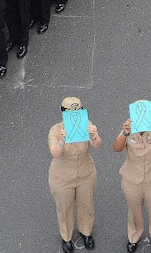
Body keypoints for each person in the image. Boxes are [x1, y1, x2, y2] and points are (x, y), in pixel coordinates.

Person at [48, 96, 102, 252]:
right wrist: (62, 141)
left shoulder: (87, 124)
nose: (74, 114)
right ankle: (66, 237)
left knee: (87, 205)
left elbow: (97, 145)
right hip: (62, 177)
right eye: (71, 111)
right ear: (63, 112)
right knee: (64, 208)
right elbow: (55, 153)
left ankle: (86, 232)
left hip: (85, 173)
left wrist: (94, 134)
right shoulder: (55, 130)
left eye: (78, 111)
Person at [114, 110, 151, 253]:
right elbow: (116, 148)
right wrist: (125, 133)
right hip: (131, 179)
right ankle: (133, 237)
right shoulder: (128, 129)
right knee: (134, 211)